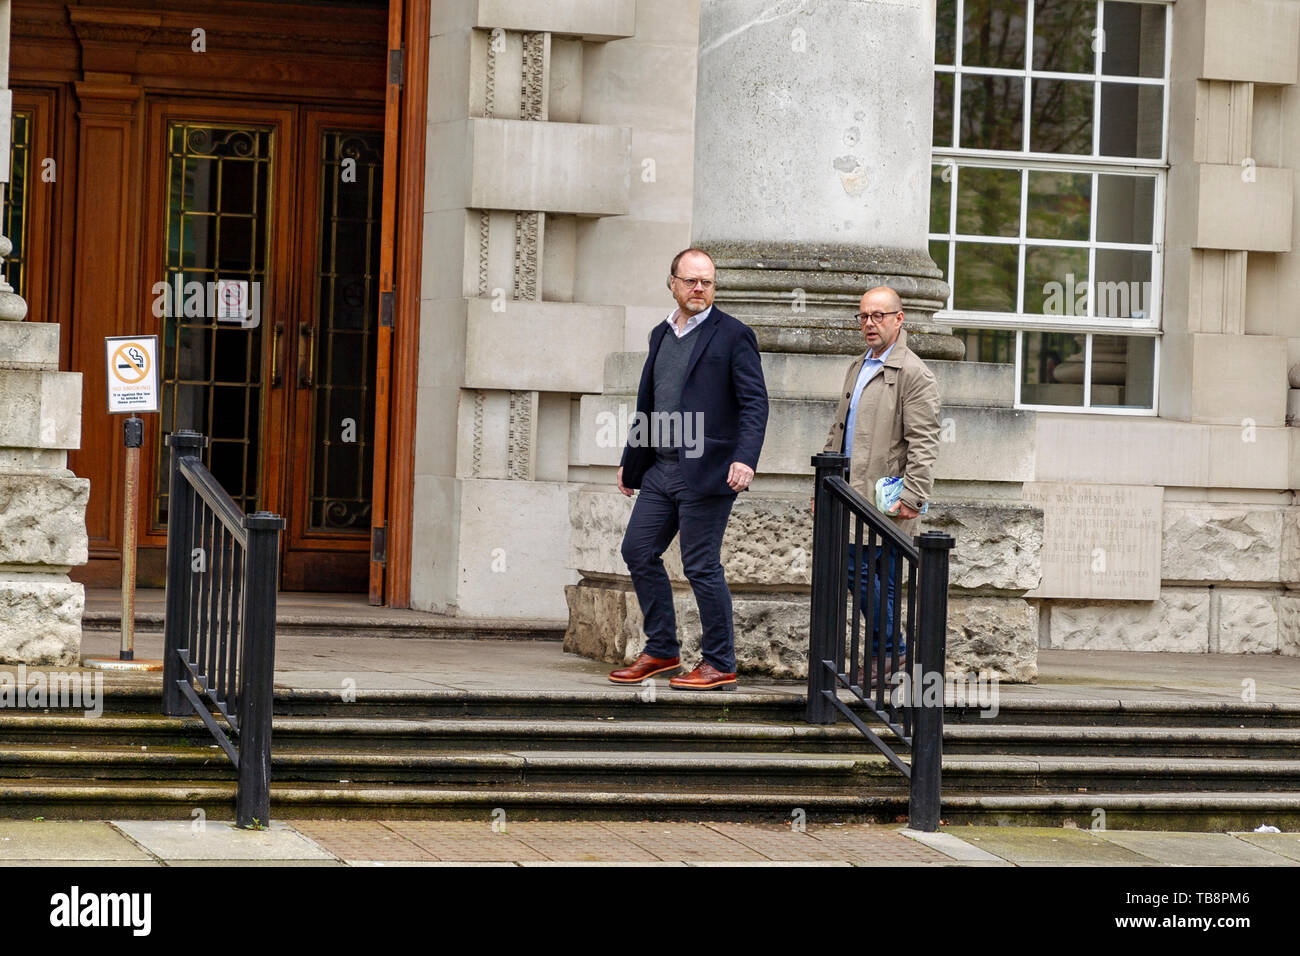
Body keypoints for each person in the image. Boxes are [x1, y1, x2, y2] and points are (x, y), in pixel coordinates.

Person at [608, 248, 769, 690]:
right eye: (691, 281)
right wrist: (631, 459)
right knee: (638, 551)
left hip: (710, 468)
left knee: (700, 565)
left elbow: (755, 403)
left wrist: (745, 458)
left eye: (708, 282)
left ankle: (720, 662)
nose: (700, 289)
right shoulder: (660, 334)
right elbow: (651, 402)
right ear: (673, 283)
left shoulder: (734, 335)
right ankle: (662, 650)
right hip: (660, 468)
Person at [821, 286, 941, 687]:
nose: (869, 324)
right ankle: (886, 658)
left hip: (887, 499)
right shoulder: (858, 365)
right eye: (863, 317)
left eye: (878, 316)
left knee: (867, 574)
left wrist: (913, 496)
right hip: (850, 494)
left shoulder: (914, 373)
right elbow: (838, 430)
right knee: (873, 578)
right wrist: (824, 483)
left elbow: (925, 442)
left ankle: (890, 652)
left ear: (898, 318)